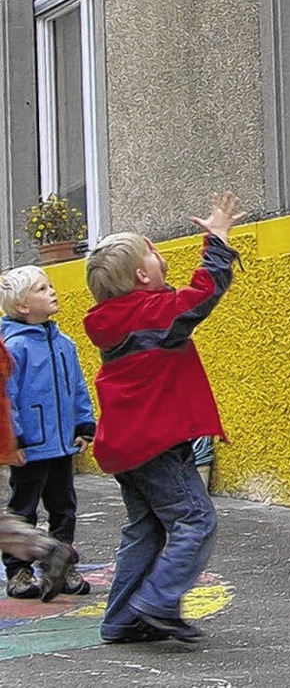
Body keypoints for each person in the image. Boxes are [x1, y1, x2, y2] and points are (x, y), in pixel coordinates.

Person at [84, 191, 245, 645]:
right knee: (196, 521)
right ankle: (156, 602)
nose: (159, 254)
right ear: (141, 275)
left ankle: (120, 619)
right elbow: (202, 295)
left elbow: (179, 299)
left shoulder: (112, 318)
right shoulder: (153, 314)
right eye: (152, 253)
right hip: (157, 446)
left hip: (126, 446)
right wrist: (216, 242)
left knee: (147, 528)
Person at [0, 267, 96, 600]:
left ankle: (63, 564)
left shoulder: (64, 344)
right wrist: (15, 439)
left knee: (64, 505)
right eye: (42, 289)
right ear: (22, 306)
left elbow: (78, 386)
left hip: (62, 444)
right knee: (23, 508)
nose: (52, 291)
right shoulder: (14, 346)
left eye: (50, 285)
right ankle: (19, 571)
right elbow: (7, 396)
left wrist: (84, 425)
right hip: (31, 447)